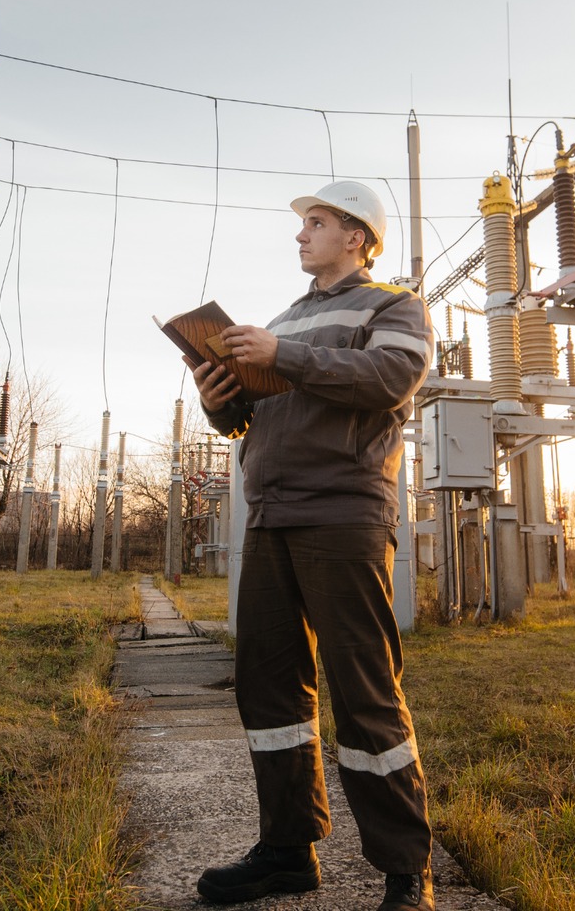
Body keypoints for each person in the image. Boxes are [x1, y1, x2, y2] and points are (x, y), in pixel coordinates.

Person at [188, 181, 436, 911]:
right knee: (268, 690)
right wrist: (219, 398)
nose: (302, 235)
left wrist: (282, 356)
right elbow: (247, 423)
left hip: (342, 513)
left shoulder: (395, 307)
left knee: (365, 692)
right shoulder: (282, 321)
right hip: (269, 516)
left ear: (356, 237)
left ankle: (404, 870)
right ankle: (287, 852)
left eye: (317, 223)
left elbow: (390, 378)